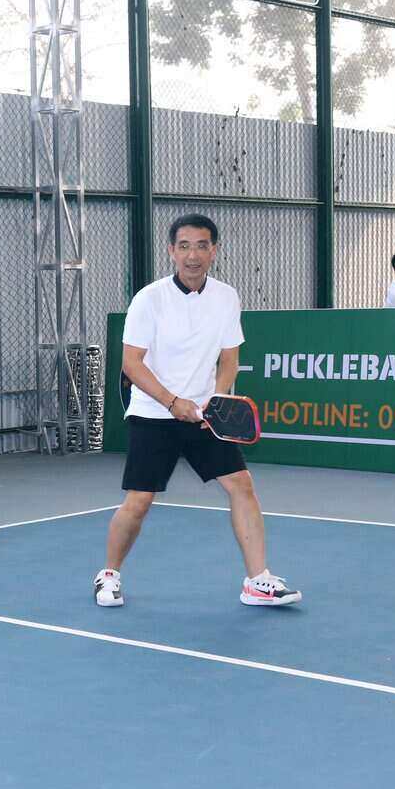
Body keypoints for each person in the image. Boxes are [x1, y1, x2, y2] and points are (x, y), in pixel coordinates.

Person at [95, 214, 301, 610]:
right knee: (140, 500)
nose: (193, 255)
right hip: (154, 414)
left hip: (206, 416)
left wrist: (218, 398)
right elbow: (132, 364)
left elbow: (229, 357)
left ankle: (258, 580)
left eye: (202, 246)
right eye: (185, 246)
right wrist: (174, 402)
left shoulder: (226, 297)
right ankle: (109, 573)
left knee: (241, 484)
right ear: (171, 251)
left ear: (214, 251)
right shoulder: (148, 299)